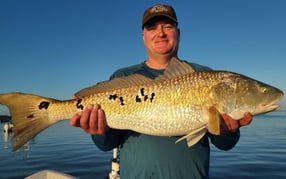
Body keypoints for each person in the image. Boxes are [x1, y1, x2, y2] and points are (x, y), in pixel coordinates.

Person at [70, 4, 253, 179]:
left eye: (167, 26)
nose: (161, 33)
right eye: (152, 27)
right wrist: (99, 130)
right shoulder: (123, 76)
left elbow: (225, 145)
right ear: (143, 36)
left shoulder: (204, 75)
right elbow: (107, 145)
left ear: (178, 33)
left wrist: (228, 132)